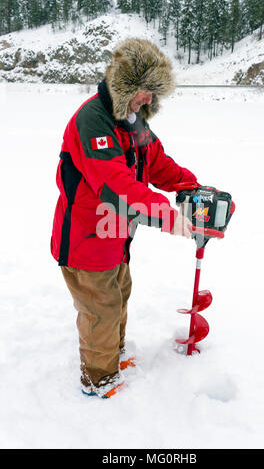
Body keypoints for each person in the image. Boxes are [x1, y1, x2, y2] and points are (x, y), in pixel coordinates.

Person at [51, 38, 198, 398]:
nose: (148, 100)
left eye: (153, 93)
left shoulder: (132, 119)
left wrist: (190, 186)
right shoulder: (93, 121)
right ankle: (98, 379)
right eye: (144, 91)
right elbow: (116, 186)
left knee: (119, 294)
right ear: (125, 85)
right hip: (86, 241)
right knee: (100, 308)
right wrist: (167, 216)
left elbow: (157, 161)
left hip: (115, 238)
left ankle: (111, 355)